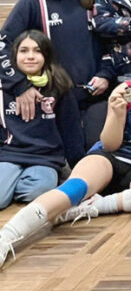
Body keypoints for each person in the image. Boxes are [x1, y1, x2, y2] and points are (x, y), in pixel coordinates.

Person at [0, 35, 131, 265]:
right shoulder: (125, 90)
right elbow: (110, 144)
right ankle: (6, 237)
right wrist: (118, 114)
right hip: (109, 159)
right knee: (72, 190)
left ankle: (96, 207)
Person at [0, 0, 114, 157]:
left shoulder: (97, 5)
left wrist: (105, 75)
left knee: (96, 158)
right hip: (51, 102)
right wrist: (20, 86)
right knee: (53, 166)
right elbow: (3, 46)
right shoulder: (34, 2)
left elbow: (112, 48)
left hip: (93, 98)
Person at [0, 31, 77, 209]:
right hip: (9, 156)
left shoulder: (59, 85)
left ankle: (22, 183)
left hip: (44, 158)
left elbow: (71, 130)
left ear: (46, 55)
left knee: (38, 191)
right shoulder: (4, 87)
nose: (30, 57)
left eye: (37, 51)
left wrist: (77, 168)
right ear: (14, 56)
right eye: (24, 51)